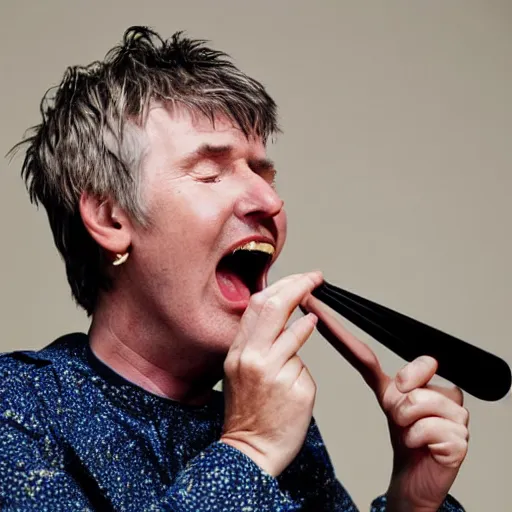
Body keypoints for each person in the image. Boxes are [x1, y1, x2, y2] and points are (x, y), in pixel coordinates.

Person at [0, 26, 469, 511]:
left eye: (265, 174)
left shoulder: (273, 422)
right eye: (211, 172)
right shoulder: (17, 408)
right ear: (110, 217)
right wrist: (248, 451)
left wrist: (411, 504)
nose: (270, 201)